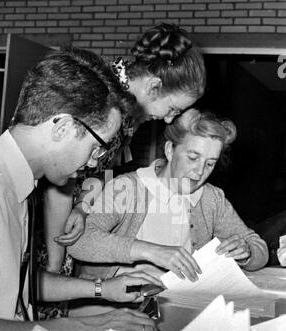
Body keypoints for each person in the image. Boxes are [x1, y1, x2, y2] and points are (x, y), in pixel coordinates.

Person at [0, 48, 162, 331]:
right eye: (97, 147)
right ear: (62, 127)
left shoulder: (20, 183)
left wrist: (101, 291)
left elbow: (14, 285)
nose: (95, 162)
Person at [44, 23, 206, 275]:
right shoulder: (98, 97)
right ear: (154, 86)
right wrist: (54, 267)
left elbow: (104, 167)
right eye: (173, 109)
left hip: (68, 211)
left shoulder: (131, 110)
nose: (168, 119)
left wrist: (84, 205)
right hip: (45, 219)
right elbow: (58, 179)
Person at [68, 109, 269, 285]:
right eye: (193, 158)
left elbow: (259, 248)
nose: (199, 172)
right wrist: (150, 251)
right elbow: (79, 243)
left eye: (210, 164)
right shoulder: (127, 187)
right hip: (115, 304)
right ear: (170, 150)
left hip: (178, 301)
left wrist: (247, 253)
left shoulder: (211, 198)